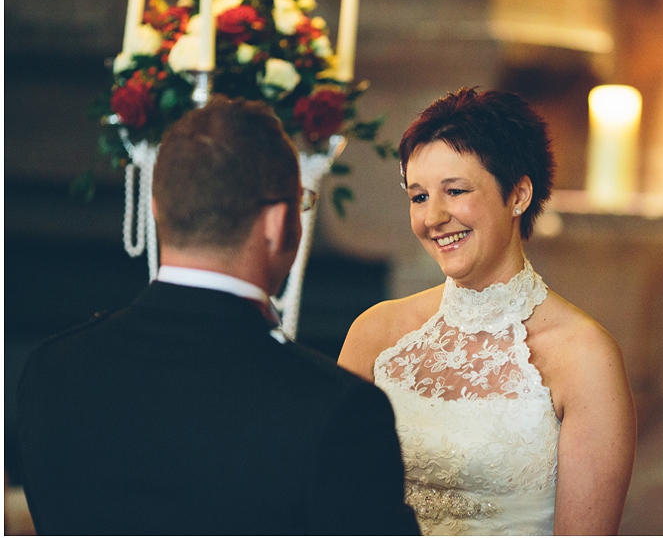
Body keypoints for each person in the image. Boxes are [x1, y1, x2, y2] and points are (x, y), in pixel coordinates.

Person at [15, 96, 420, 535]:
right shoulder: (338, 411)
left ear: (156, 208)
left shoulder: (49, 371)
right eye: (302, 203)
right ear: (277, 222)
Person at [339, 87, 637, 535]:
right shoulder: (375, 334)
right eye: (418, 197)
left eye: (454, 191)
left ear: (518, 195)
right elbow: (332, 500)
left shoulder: (584, 355)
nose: (432, 217)